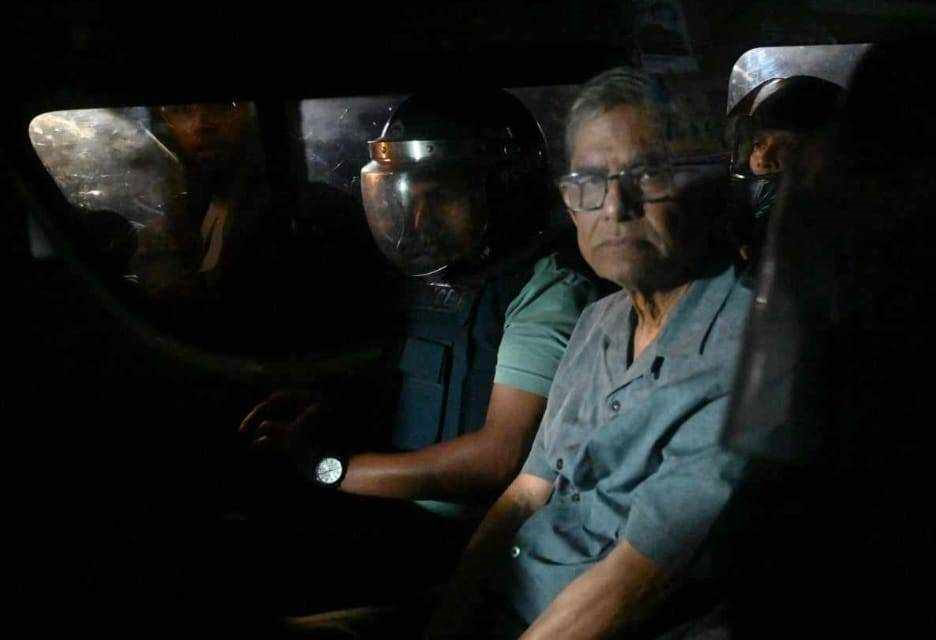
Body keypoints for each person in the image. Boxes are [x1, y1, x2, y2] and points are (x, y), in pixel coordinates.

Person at [235, 87, 599, 612]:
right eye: (412, 197)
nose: (420, 219)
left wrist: (331, 468)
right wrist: (326, 410)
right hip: (400, 510)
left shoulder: (549, 287)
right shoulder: (441, 273)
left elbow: (497, 458)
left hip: (468, 534)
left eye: (442, 197)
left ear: (503, 190)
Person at [425, 67, 755, 639]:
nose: (615, 206)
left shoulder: (751, 349)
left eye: (649, 174)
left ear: (710, 188)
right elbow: (525, 494)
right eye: (589, 180)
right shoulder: (598, 320)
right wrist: (446, 622)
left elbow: (633, 581)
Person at [723, 75, 844, 260]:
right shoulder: (735, 199)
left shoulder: (826, 219)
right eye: (758, 143)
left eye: (787, 146)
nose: (763, 159)